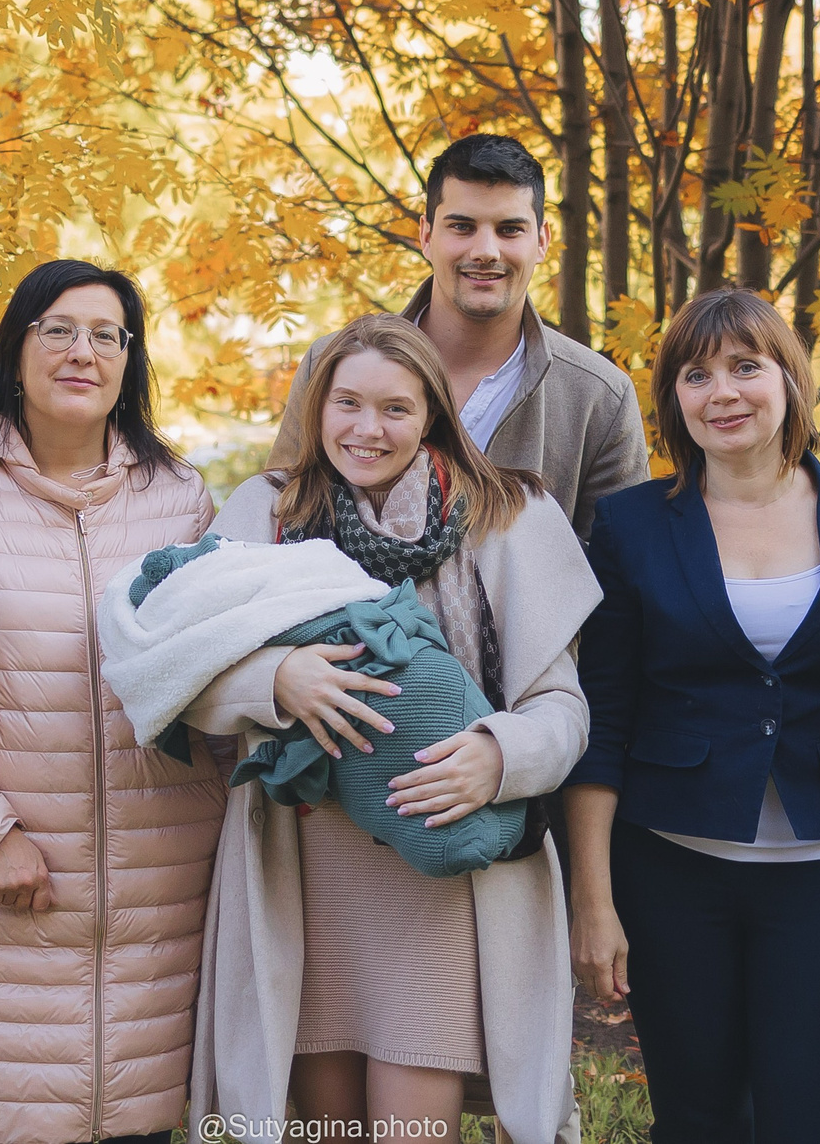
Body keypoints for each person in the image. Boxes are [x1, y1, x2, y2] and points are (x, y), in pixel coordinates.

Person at [186, 314, 599, 1144]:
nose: (367, 429)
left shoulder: (508, 514)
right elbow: (181, 669)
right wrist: (275, 678)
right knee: (328, 1125)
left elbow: (564, 711)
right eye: (347, 403)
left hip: (444, 861)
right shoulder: (265, 512)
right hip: (301, 863)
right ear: (317, 407)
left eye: (395, 409)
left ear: (432, 415)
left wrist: (497, 754)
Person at [0, 260, 220, 1144]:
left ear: (129, 361)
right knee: (11, 1118)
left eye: (107, 333)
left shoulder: (181, 500)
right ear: (16, 350)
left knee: (144, 1119)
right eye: (58, 328)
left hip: (161, 883)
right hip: (1, 887)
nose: (83, 350)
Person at [563, 287, 820, 1143]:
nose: (723, 392)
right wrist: (593, 901)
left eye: (746, 366)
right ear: (675, 396)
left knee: (812, 1120)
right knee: (698, 1118)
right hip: (674, 868)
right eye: (696, 374)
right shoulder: (632, 525)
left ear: (788, 377)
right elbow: (604, 720)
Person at [268, 134, 649, 540]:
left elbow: (622, 575)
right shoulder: (329, 364)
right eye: (462, 227)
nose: (486, 250)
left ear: (541, 241)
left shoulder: (598, 396)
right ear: (427, 236)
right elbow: (278, 513)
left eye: (509, 229)